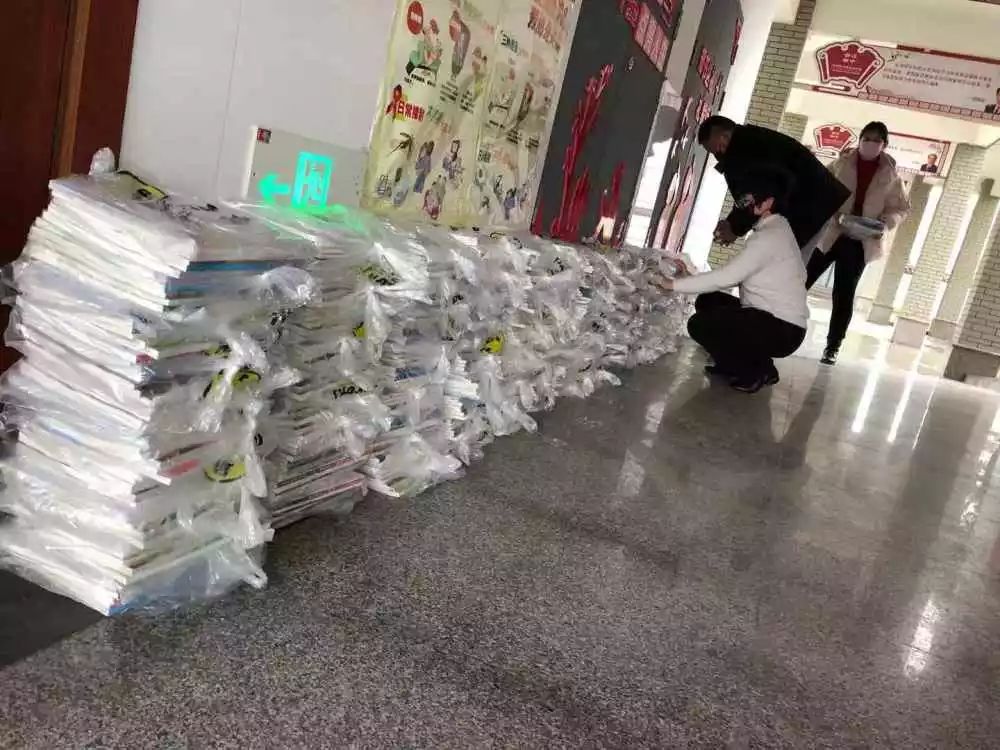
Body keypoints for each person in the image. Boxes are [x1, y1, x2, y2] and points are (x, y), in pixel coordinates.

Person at [654, 166, 808, 394]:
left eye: (746, 200)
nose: (740, 207)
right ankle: (760, 367)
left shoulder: (770, 237)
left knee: (699, 325)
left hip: (782, 329)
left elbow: (728, 277)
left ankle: (752, 372)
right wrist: (689, 278)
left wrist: (672, 285)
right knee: (708, 301)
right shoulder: (776, 228)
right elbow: (739, 273)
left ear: (766, 203)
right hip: (774, 321)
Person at [806, 121, 910, 365]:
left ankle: (833, 346)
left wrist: (885, 222)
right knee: (801, 279)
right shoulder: (841, 163)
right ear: (860, 139)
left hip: (860, 240)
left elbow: (901, 208)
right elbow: (820, 188)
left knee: (844, 294)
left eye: (877, 140)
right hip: (832, 233)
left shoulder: (891, 175)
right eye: (867, 138)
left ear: (884, 145)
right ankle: (776, 323)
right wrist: (831, 212)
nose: (871, 144)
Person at [699, 115, 850, 250]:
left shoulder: (741, 151)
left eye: (718, 149)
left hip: (810, 211)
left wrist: (734, 228)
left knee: (783, 267)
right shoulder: (752, 139)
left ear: (725, 136)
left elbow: (754, 195)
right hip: (819, 205)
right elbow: (753, 193)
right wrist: (733, 223)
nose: (718, 155)